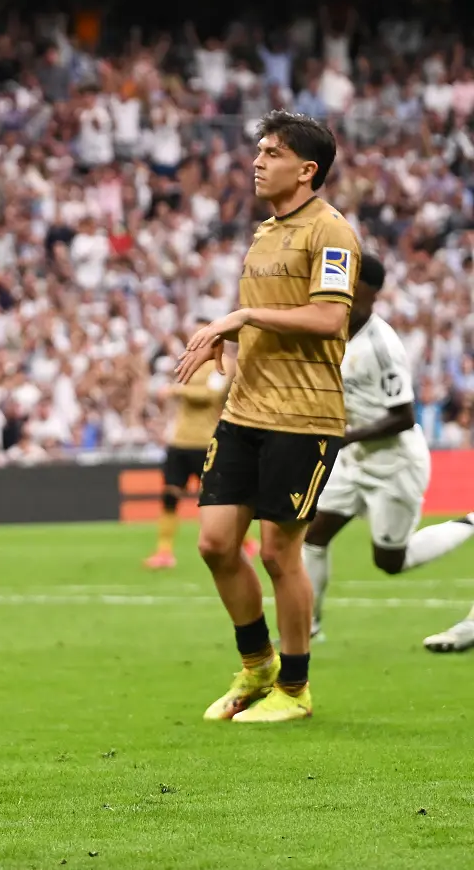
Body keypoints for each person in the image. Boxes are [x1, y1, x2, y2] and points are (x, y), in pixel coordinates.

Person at [177, 110, 360, 723]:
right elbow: (272, 314)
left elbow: (328, 318)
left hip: (303, 416)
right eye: (258, 151)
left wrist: (244, 317)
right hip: (245, 409)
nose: (257, 162)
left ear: (306, 170)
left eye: (272, 153)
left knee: (280, 553)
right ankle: (257, 667)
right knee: (214, 543)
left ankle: (295, 688)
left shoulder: (331, 231)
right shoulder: (265, 232)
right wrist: (232, 337)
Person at [300, 255, 474, 645]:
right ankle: (307, 627)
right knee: (314, 534)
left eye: (350, 279)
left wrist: (348, 436)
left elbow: (404, 416)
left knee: (390, 562)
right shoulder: (333, 330)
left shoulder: (381, 346)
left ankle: (469, 523)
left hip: (394, 463)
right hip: (355, 460)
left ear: (368, 290)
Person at [145, 322, 243, 569]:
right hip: (179, 440)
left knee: (217, 499)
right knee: (170, 494)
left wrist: (176, 391)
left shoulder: (224, 364)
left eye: (203, 332)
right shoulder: (188, 362)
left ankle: (245, 543)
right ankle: (164, 552)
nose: (198, 337)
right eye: (195, 333)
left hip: (206, 441)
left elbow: (211, 395)